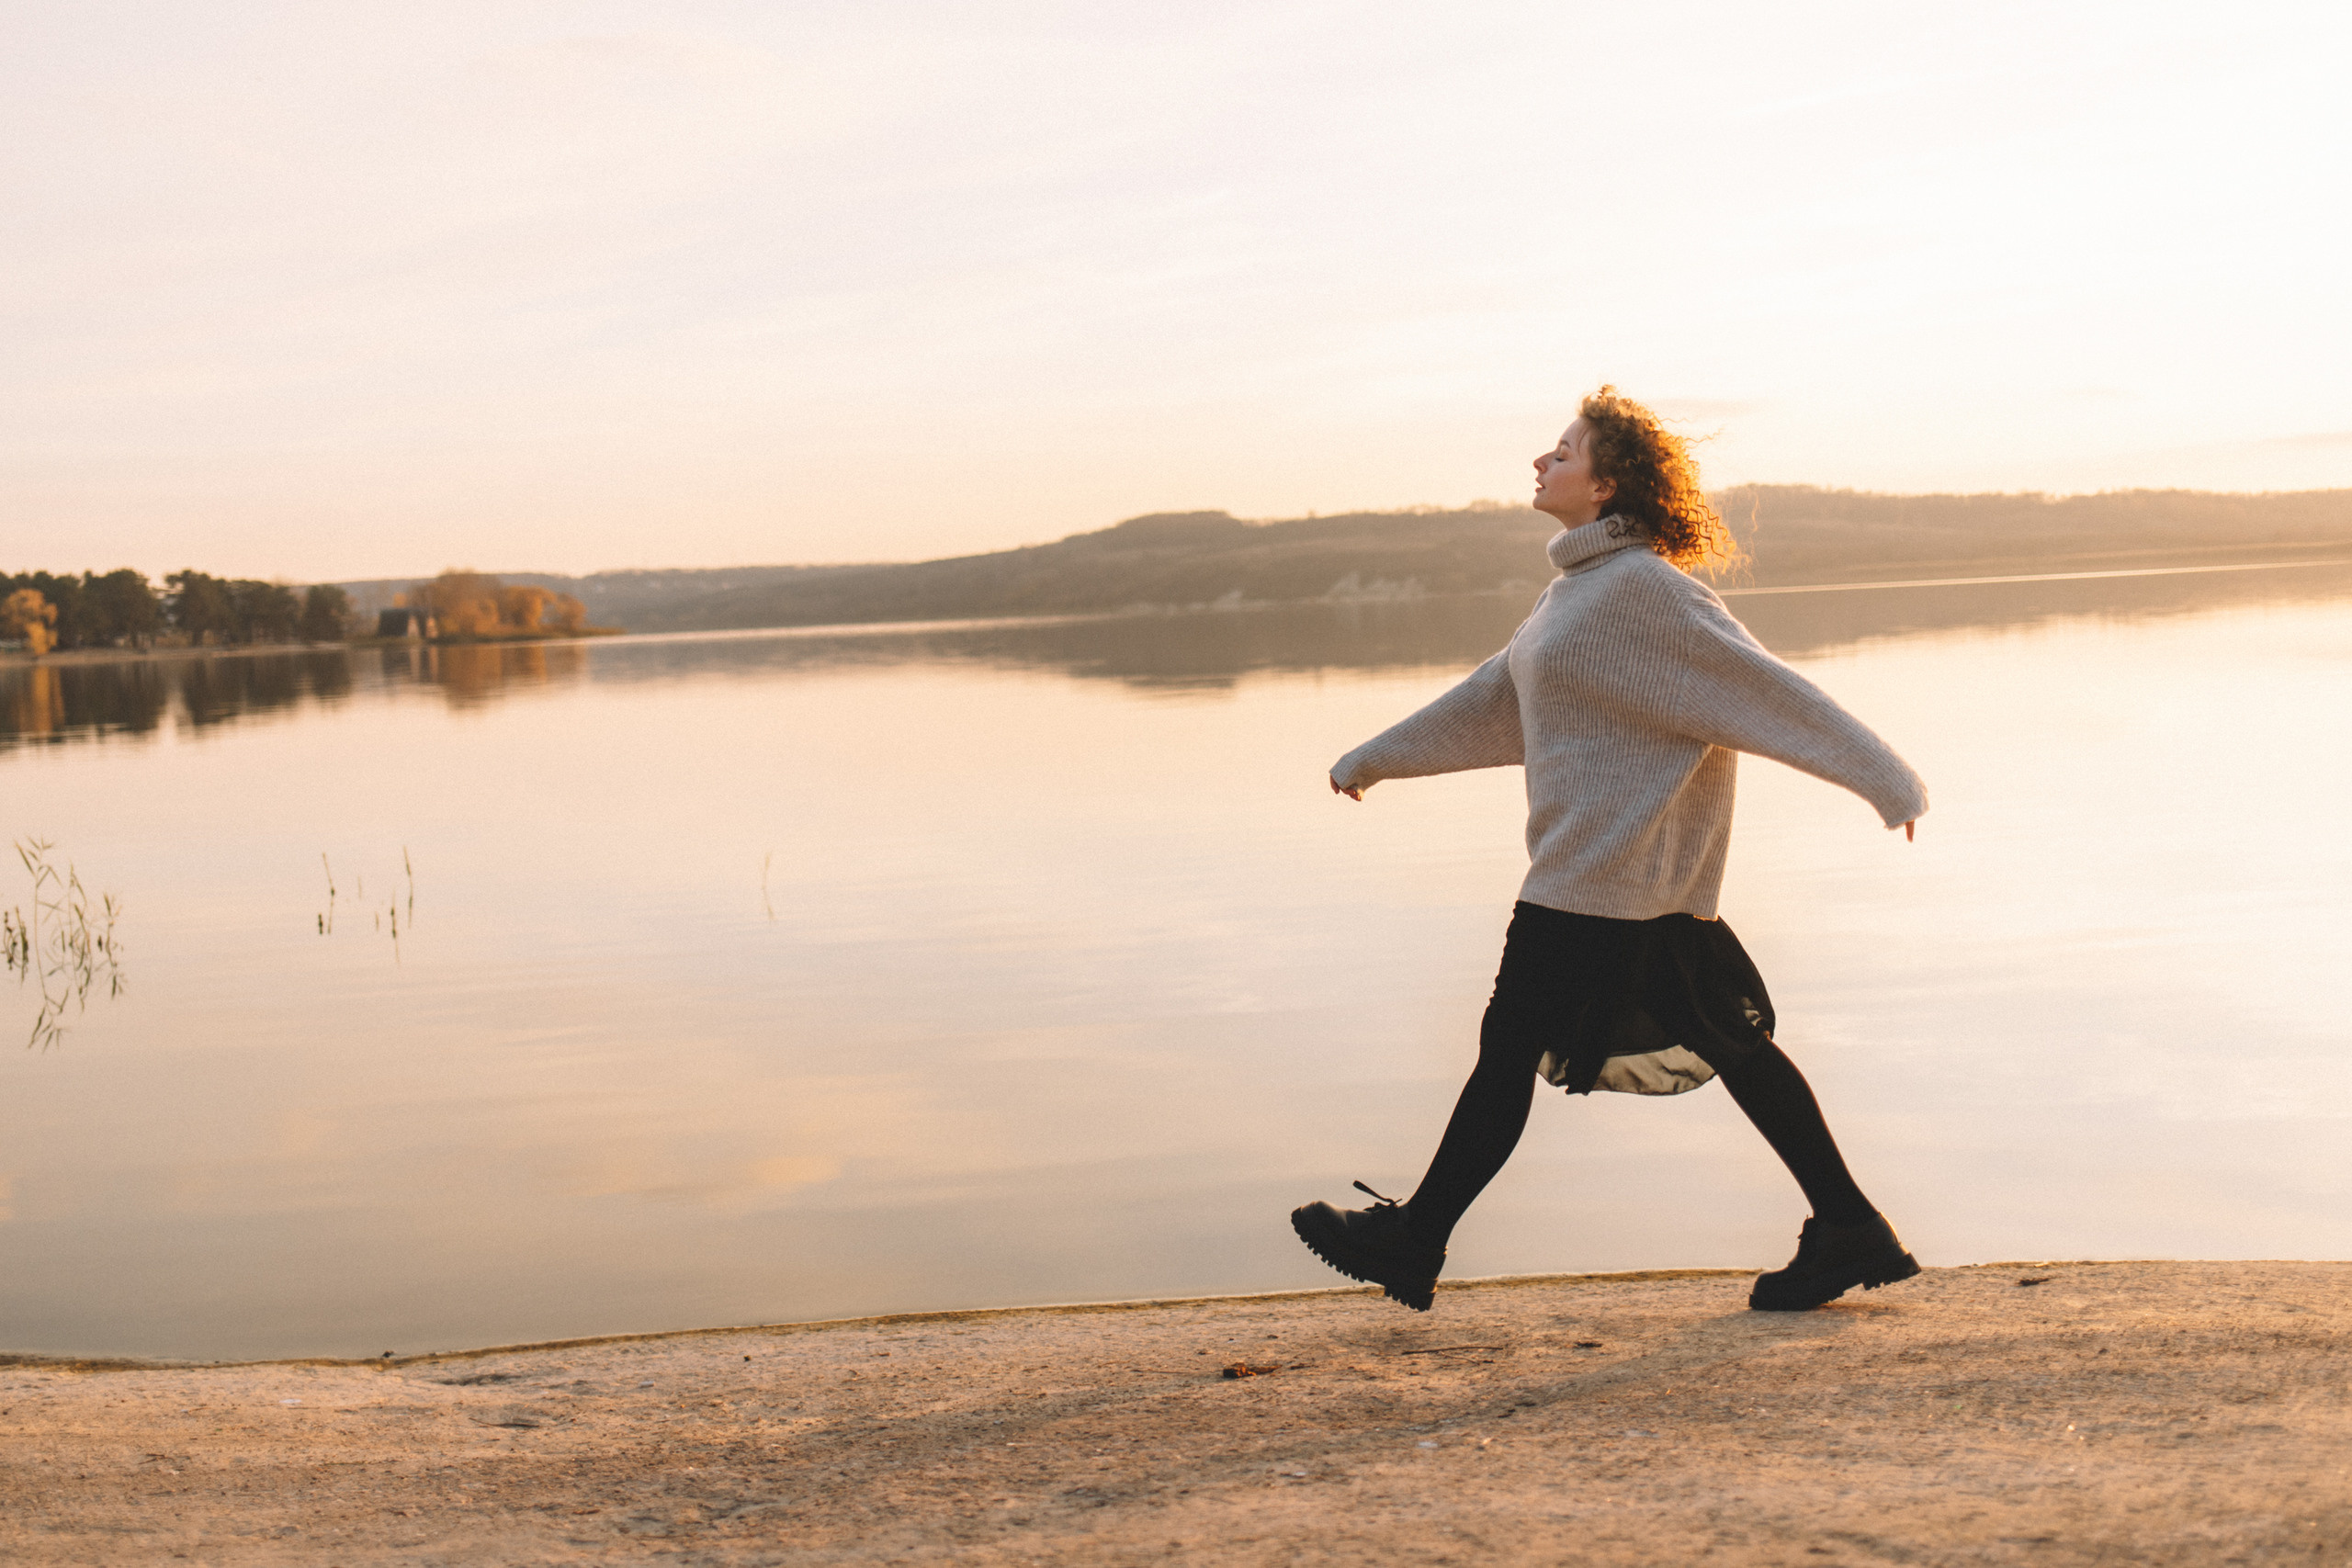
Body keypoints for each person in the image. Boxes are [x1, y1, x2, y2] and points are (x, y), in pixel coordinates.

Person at [1291, 387, 1928, 1314]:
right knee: (1732, 1046)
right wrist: (1375, 758)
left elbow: (1765, 690)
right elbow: (1494, 703)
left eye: (1562, 450)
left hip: (1598, 878)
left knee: (1507, 1047)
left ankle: (1415, 1238)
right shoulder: (1574, 595)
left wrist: (1884, 779)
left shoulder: (1646, 594)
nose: (1541, 461)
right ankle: (1848, 1227)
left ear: (1608, 483)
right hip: (1624, 880)